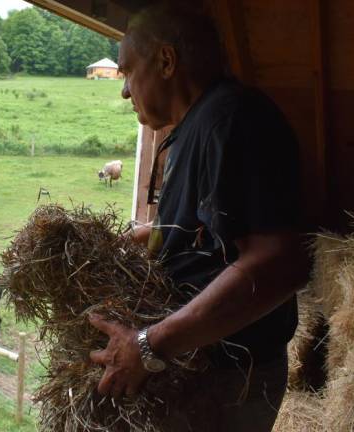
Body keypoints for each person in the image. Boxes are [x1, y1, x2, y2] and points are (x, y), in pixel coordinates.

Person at [87, 3, 310, 431]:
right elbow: (226, 230)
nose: (125, 91)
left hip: (228, 376)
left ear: (166, 61)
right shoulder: (200, 123)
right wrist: (156, 234)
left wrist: (149, 345)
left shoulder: (231, 120)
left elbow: (279, 262)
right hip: (203, 363)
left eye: (128, 71)